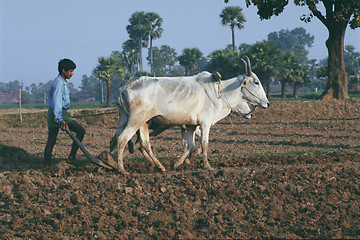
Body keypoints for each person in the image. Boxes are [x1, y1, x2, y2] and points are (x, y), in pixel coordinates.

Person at [44, 58, 85, 167]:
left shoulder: (62, 82)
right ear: (64, 70)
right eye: (70, 71)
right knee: (80, 131)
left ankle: (47, 165)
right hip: (58, 113)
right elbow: (57, 102)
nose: (72, 74)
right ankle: (72, 157)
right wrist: (60, 119)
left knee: (51, 140)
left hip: (55, 113)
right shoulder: (59, 84)